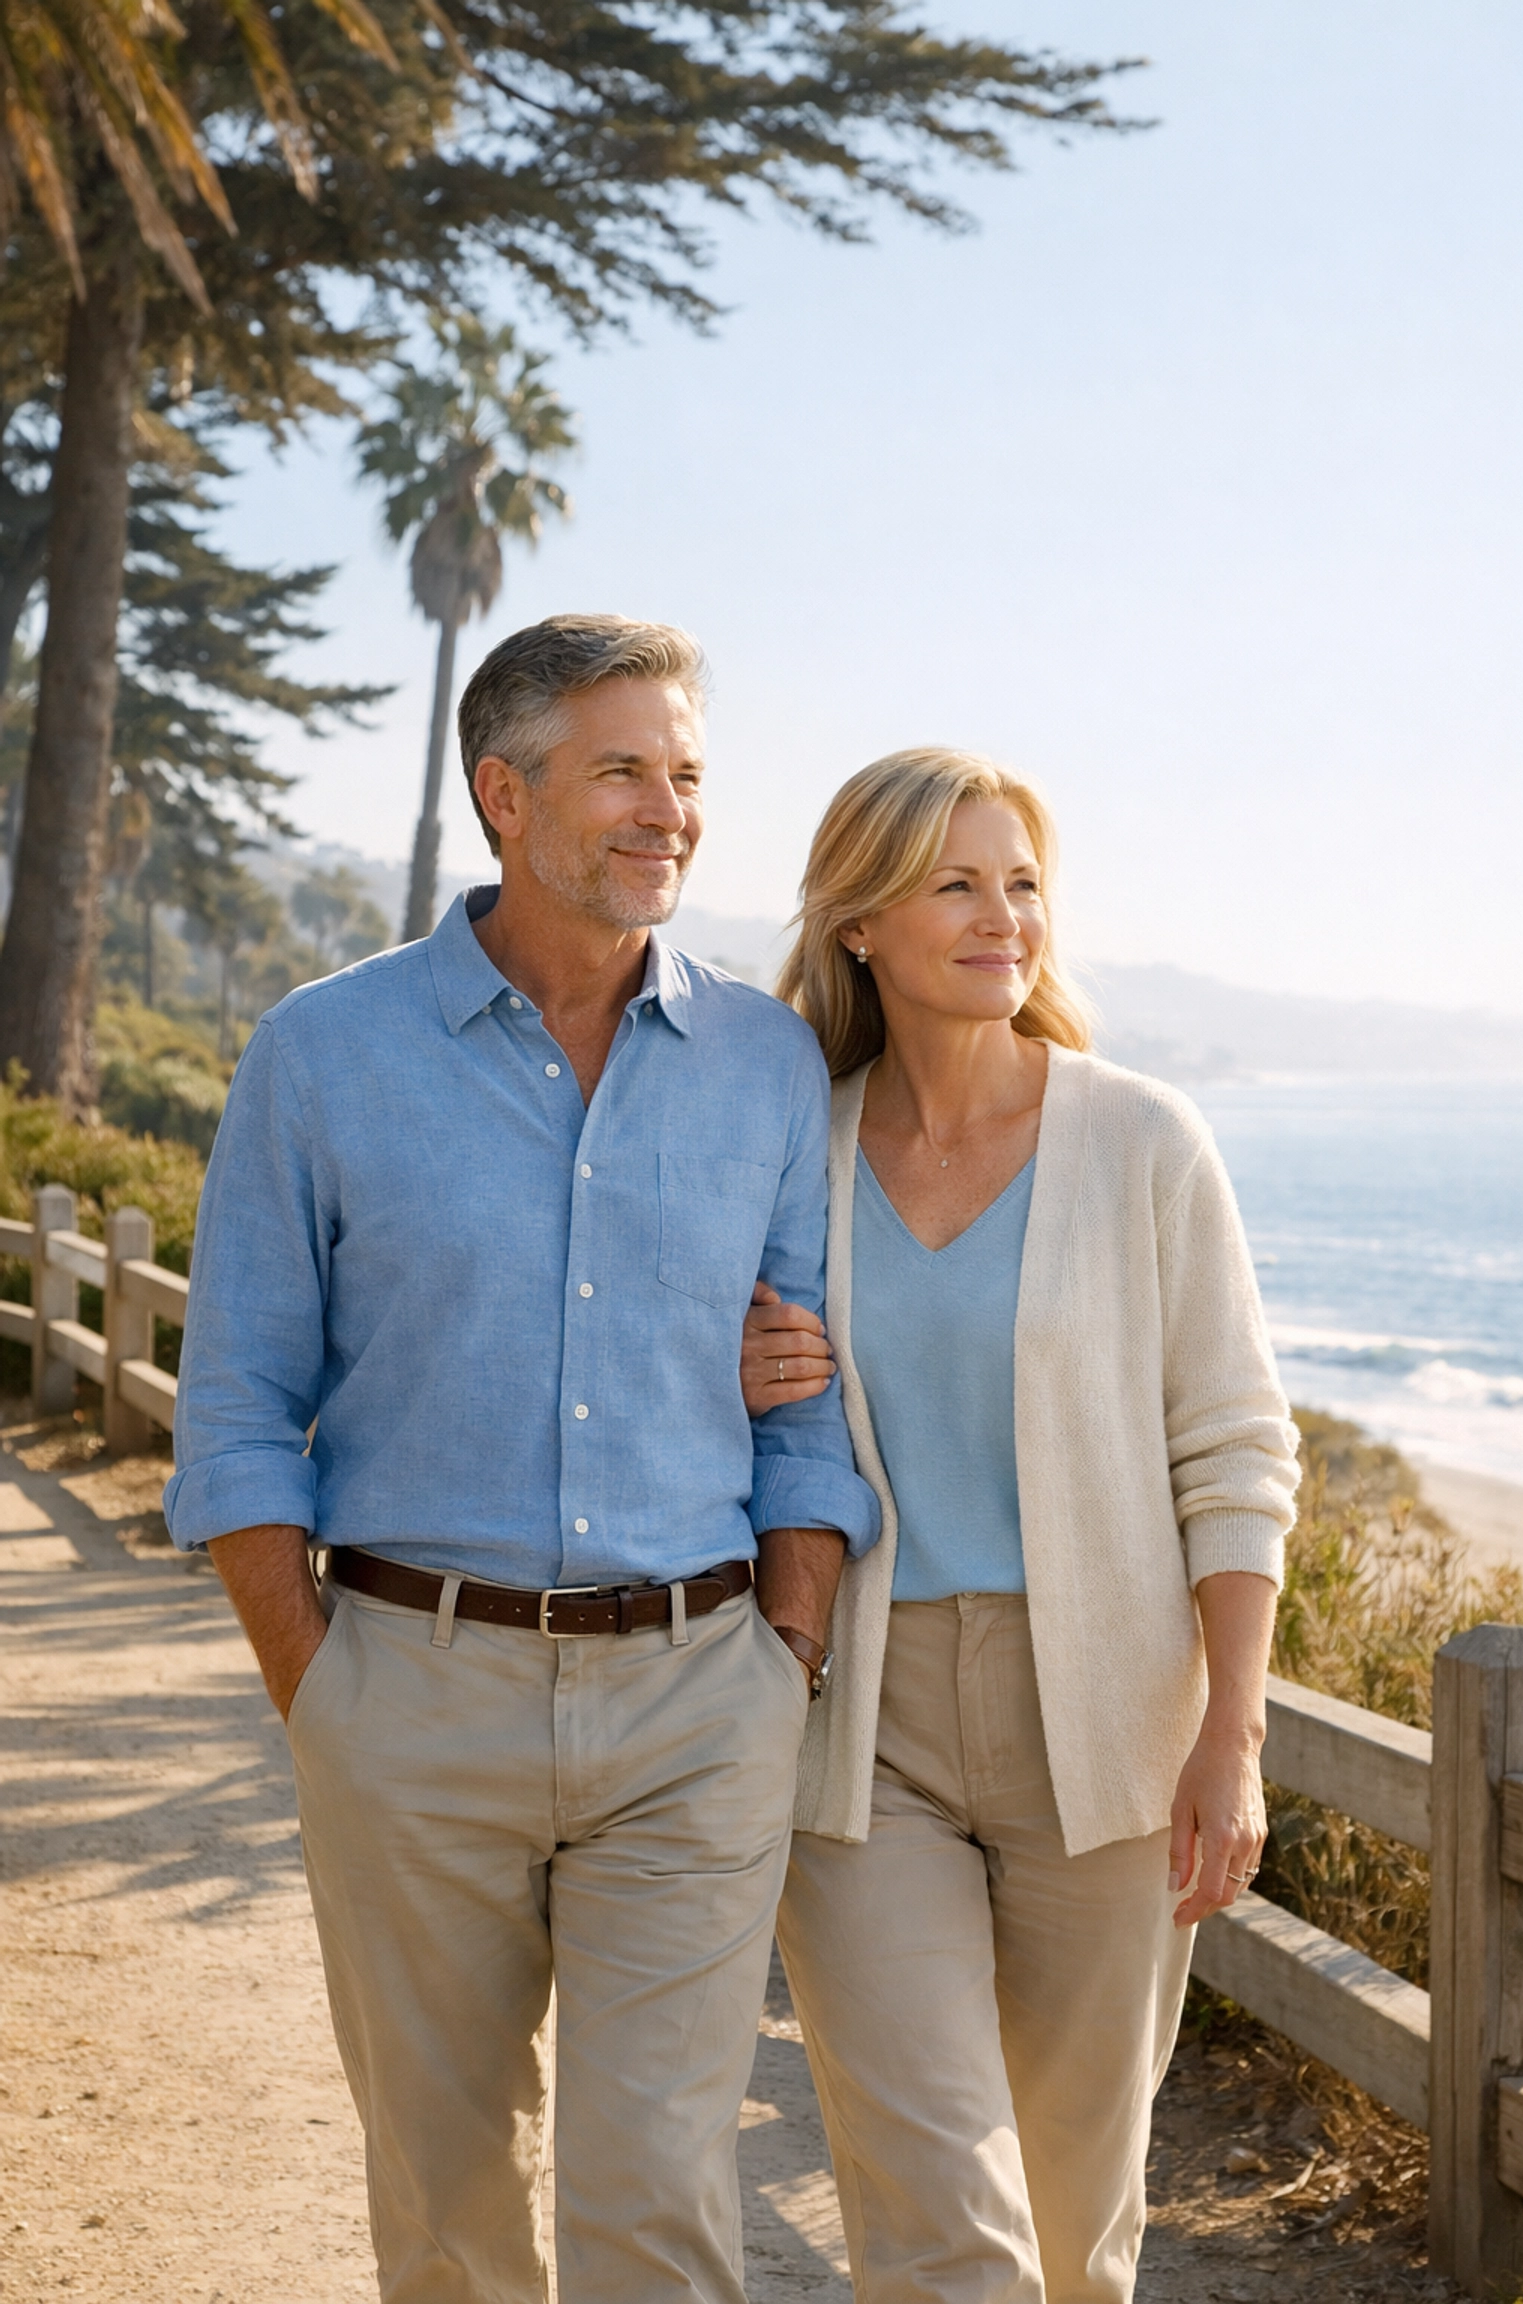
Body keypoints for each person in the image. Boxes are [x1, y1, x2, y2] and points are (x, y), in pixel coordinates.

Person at [166, 613, 879, 2304]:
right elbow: (238, 1406)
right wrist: (319, 1684)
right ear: (504, 792)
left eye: (689, 774)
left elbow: (804, 1399)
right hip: (406, 1693)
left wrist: (784, 1650)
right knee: (445, 2204)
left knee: (656, 2199)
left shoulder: (768, 1064)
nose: (671, 810)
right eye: (623, 768)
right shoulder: (322, 1055)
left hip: (698, 1702)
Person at [740, 748, 1299, 2304]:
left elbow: (1239, 1450)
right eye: (958, 883)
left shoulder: (1143, 1141)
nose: (1007, 917)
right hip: (869, 1733)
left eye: (1025, 882)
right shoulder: (803, 1148)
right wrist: (731, 1369)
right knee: (939, 2218)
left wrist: (1230, 1731)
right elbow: (711, 1396)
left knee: (1073, 2232)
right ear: (860, 922)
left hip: (1109, 1725)